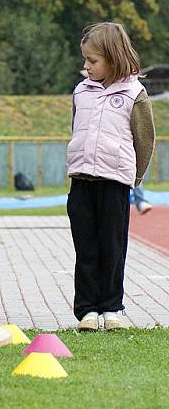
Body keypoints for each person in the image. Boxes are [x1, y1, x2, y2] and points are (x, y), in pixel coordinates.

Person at [67, 22, 154, 331]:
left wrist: (134, 177)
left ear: (113, 58)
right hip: (81, 183)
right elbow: (77, 129)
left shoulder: (134, 94)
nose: (86, 67)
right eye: (85, 60)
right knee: (85, 247)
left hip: (114, 185)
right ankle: (87, 310)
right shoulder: (81, 91)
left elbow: (144, 140)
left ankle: (112, 308)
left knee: (112, 247)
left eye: (93, 61)